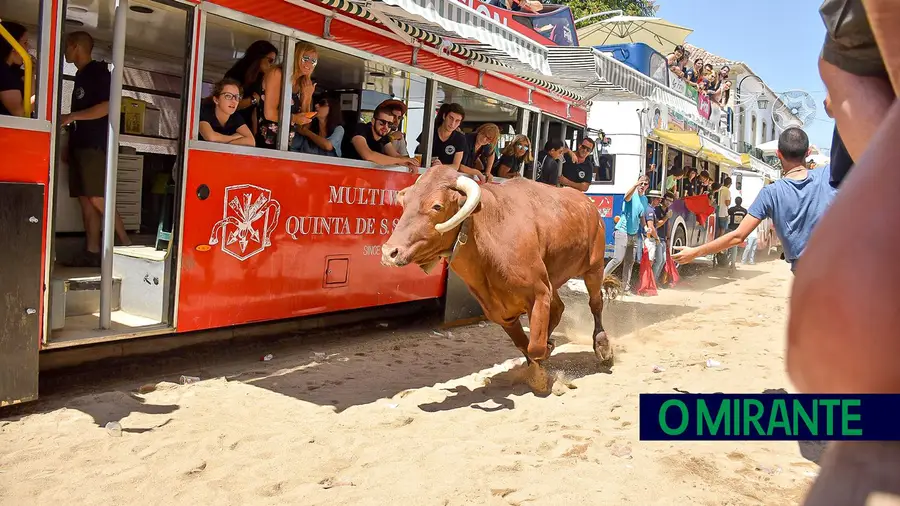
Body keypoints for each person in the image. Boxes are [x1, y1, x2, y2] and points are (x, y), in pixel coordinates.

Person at [672, 128, 836, 273]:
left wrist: (695, 252)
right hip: (839, 267)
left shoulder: (771, 193)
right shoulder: (828, 175)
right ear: (808, 152)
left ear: (778, 153)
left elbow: (737, 236)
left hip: (807, 276)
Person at [60, 31, 131, 268]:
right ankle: (92, 251)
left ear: (75, 46)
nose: (65, 52)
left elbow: (108, 107)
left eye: (66, 47)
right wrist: (69, 143)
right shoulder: (80, 75)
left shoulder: (99, 73)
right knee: (86, 201)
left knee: (97, 197)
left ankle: (126, 244)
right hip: (80, 144)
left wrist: (72, 116)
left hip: (95, 144)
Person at [256, 42, 316, 149]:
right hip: (265, 143)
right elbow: (269, 114)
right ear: (296, 56)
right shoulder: (277, 73)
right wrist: (295, 118)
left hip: (285, 145)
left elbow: (303, 127)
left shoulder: (302, 83)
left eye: (313, 61)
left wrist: (307, 98)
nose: (309, 64)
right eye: (305, 58)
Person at [604, 174, 649, 292]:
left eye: (645, 184)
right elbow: (626, 197)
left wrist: (645, 227)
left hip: (634, 234)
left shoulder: (645, 200)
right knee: (617, 259)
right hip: (622, 231)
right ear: (637, 183)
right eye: (641, 183)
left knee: (630, 261)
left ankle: (625, 287)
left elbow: (641, 216)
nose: (642, 185)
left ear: (647, 186)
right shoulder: (632, 194)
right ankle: (600, 279)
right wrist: (635, 185)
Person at [342, 105, 419, 172]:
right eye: (382, 123)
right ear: (373, 121)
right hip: (345, 174)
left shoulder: (384, 137)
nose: (386, 127)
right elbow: (368, 155)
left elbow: (395, 155)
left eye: (390, 124)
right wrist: (401, 161)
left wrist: (409, 163)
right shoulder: (360, 129)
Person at [223, 40, 278, 132]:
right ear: (259, 57)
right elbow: (227, 104)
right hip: (230, 124)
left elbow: (255, 110)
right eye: (270, 61)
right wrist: (253, 100)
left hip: (247, 126)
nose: (271, 65)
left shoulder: (260, 78)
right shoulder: (236, 74)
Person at [198, 78, 255, 146]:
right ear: (216, 100)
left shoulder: (236, 117)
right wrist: (234, 137)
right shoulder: (205, 112)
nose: (234, 101)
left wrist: (225, 144)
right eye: (228, 96)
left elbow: (251, 141)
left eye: (237, 97)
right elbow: (211, 137)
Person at [0, 21, 29, 117]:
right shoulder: (3, 73)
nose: (28, 48)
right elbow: (19, 114)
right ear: (14, 46)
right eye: (25, 43)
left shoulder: (14, 72)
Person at [653, 191, 674, 281]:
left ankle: (655, 280)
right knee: (659, 261)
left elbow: (668, 225)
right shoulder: (657, 210)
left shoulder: (667, 211)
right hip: (657, 238)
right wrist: (666, 217)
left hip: (663, 239)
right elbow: (657, 225)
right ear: (663, 200)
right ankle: (653, 281)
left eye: (671, 201)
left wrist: (668, 238)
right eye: (667, 200)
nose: (669, 202)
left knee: (663, 260)